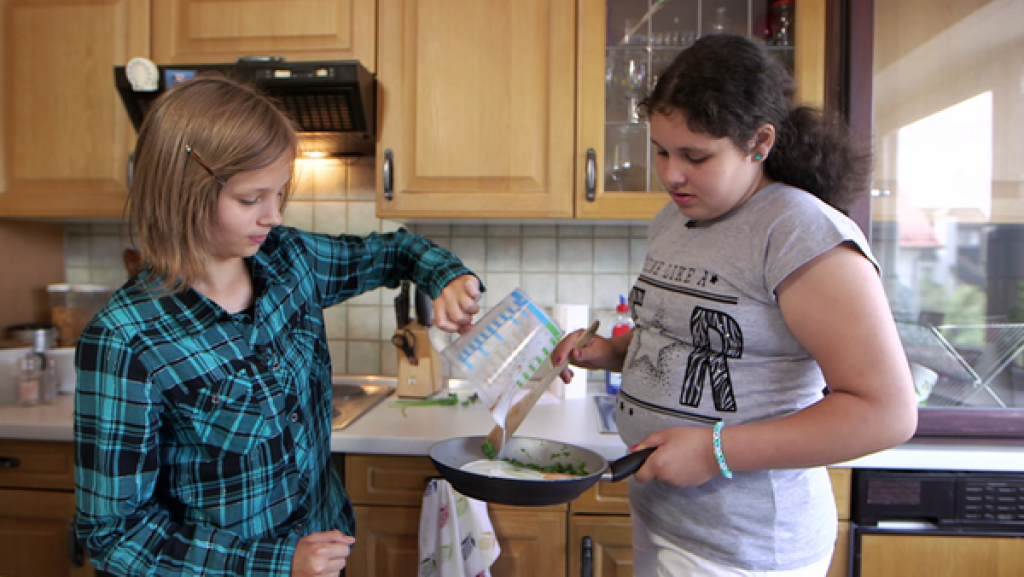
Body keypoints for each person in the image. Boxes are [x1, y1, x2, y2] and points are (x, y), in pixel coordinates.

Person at [73, 75, 483, 577]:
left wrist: (446, 276)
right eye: (251, 199)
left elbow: (395, 251)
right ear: (183, 192)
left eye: (280, 192)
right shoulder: (125, 340)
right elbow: (116, 536)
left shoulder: (290, 261)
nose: (272, 215)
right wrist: (277, 562)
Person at [552, 34, 917, 576]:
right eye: (661, 150)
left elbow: (885, 412)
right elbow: (689, 336)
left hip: (748, 548)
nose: (671, 174)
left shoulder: (799, 232)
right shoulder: (675, 219)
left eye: (695, 156)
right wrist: (610, 352)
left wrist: (713, 452)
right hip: (664, 515)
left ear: (759, 142)